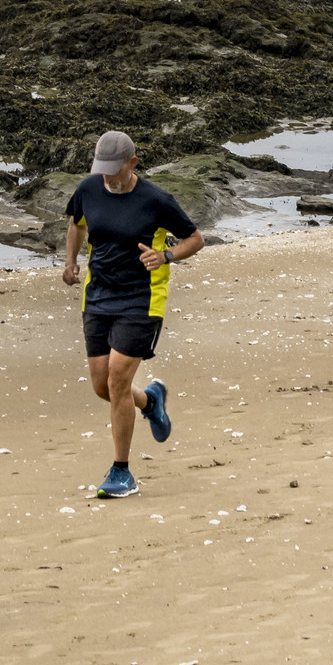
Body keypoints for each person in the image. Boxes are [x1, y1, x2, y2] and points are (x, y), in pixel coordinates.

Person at [63, 129, 204, 499]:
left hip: (141, 299)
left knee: (117, 379)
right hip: (98, 296)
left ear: (132, 162)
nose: (108, 177)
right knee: (101, 386)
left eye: (114, 169)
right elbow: (76, 224)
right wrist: (71, 262)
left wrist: (166, 256)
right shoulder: (88, 189)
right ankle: (151, 401)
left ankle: (121, 472)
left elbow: (195, 238)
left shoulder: (156, 200)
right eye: (102, 169)